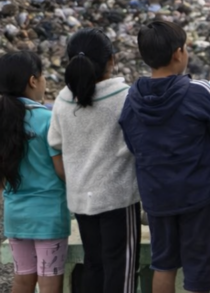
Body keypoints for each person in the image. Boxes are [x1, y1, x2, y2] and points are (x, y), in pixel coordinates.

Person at [119, 20, 210, 293]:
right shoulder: (196, 92)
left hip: (157, 197)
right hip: (198, 197)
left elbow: (132, 142)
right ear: (178, 53)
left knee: (163, 265)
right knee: (198, 268)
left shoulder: (132, 98)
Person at [49, 29, 142, 293]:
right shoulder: (125, 96)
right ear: (112, 60)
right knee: (121, 268)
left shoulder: (62, 99)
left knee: (95, 264)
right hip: (118, 199)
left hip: (81, 199)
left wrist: (74, 180)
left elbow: (54, 146)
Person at [0, 51, 71, 293]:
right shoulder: (46, 118)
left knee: (22, 278)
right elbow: (62, 171)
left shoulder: (2, 119)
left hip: (15, 214)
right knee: (50, 281)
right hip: (48, 215)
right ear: (33, 80)